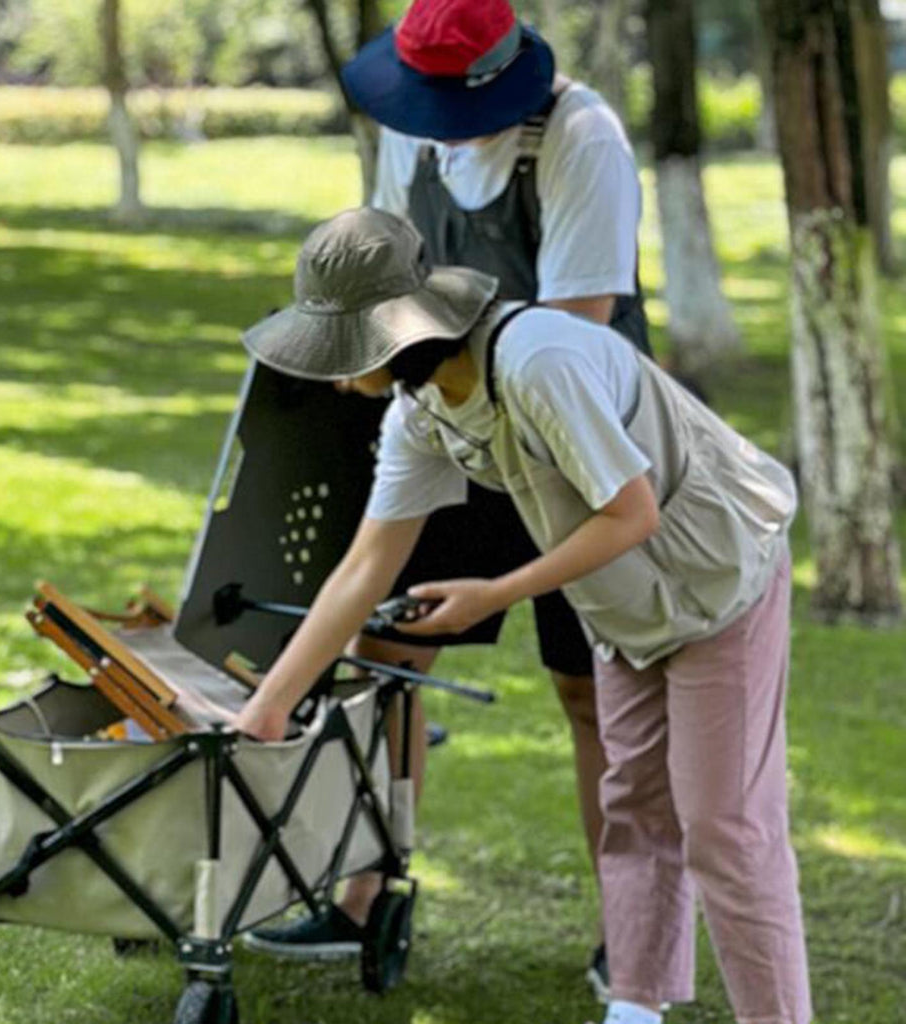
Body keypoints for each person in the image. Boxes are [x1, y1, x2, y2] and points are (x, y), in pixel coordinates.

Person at [232, 207, 812, 1024]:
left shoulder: (538, 361)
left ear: (393, 334)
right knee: (634, 809)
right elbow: (365, 567)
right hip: (626, 603)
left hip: (721, 574)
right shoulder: (421, 412)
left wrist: (496, 591)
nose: (330, 374)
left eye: (339, 348)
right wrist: (270, 706)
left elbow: (632, 512)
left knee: (724, 829)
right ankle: (635, 1011)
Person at [246, 0, 648, 989]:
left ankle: (632, 930)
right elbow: (390, 283)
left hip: (573, 434)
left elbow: (573, 333)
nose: (431, 123)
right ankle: (365, 894)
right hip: (444, 409)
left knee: (592, 692)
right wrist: (267, 705)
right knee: (388, 653)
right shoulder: (409, 125)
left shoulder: (581, 138)